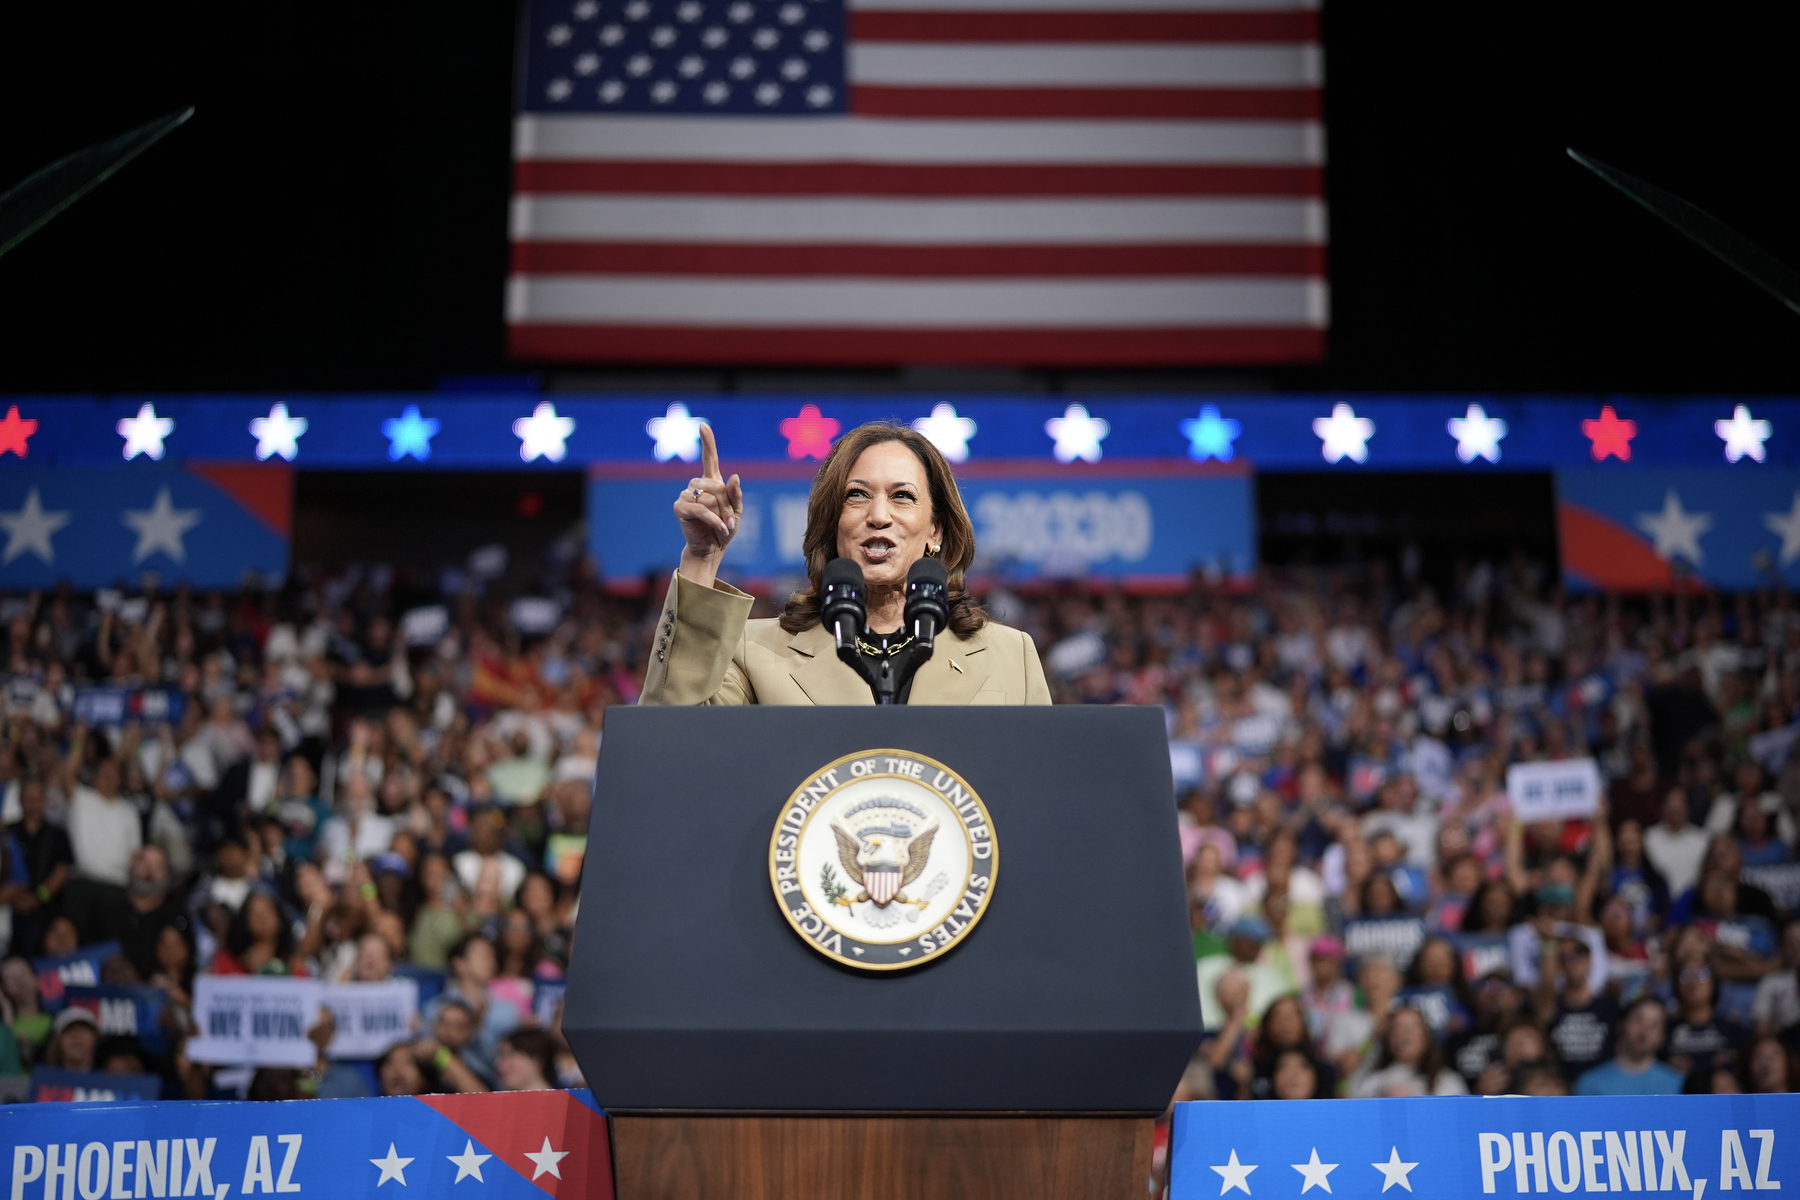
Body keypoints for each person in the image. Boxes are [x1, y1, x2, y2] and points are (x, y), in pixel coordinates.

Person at [640, 422, 1051, 706]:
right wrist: (701, 558)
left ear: (936, 531)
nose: (878, 515)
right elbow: (671, 742)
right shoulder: (755, 652)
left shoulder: (1010, 655)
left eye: (903, 496)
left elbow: (1043, 792)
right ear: (832, 523)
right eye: (856, 495)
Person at [64, 755, 141, 942]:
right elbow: (66, 775)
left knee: (111, 946)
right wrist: (78, 743)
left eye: (113, 773)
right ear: (94, 776)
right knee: (77, 944)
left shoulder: (129, 811)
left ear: (120, 780)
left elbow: (135, 854)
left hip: (117, 887)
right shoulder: (81, 798)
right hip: (82, 883)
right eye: (103, 772)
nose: (108, 776)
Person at [1346, 1006, 1469, 1097]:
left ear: (1426, 1036)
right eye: (1397, 1028)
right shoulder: (1370, 1082)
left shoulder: (1447, 1081)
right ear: (1388, 1039)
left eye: (1413, 1027)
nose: (1405, 1034)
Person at [1574, 997, 1684, 1095]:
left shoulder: (1678, 1085)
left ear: (1663, 1037)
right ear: (1622, 1024)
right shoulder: (1590, 1084)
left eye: (1654, 1025)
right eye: (1638, 1020)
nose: (1644, 1030)